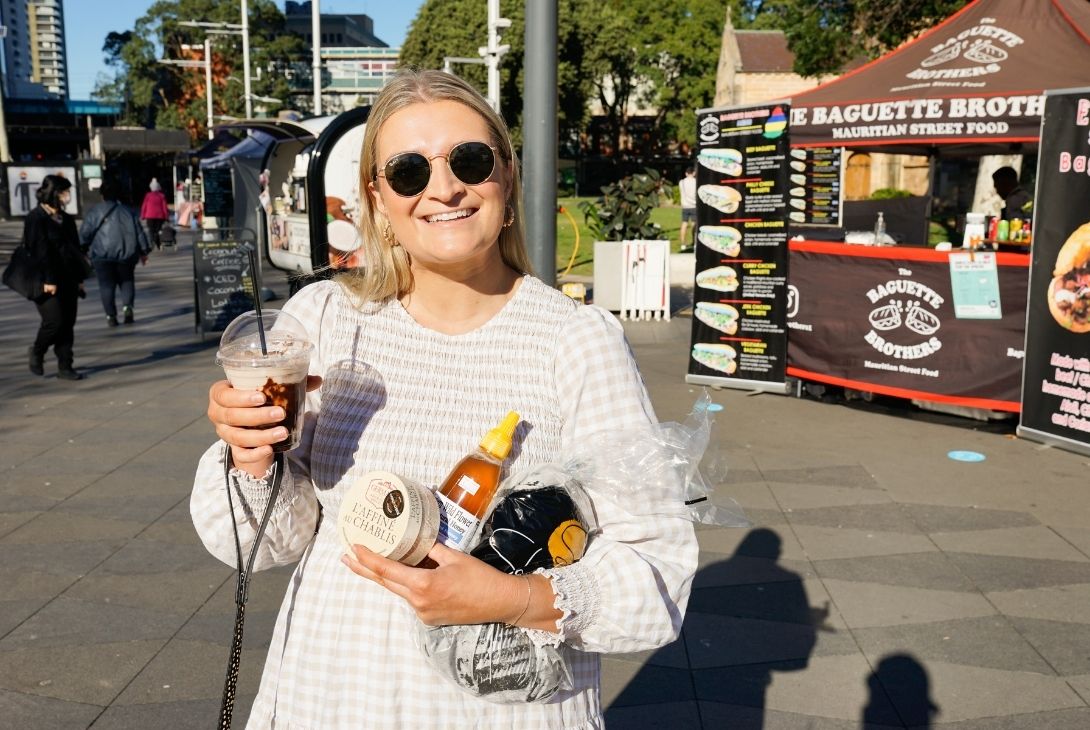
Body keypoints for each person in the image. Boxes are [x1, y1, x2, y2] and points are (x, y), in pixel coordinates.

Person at [191, 69, 698, 729]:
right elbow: (260, 545)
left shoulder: (577, 342)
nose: (444, 187)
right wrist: (252, 453)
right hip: (330, 696)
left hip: (499, 709)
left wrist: (513, 598)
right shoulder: (321, 321)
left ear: (506, 175)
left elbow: (658, 578)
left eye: (470, 160)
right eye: (408, 171)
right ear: (377, 198)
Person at [23, 174, 87, 380]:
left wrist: (79, 278)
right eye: (63, 192)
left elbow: (75, 250)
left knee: (68, 322)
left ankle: (65, 365)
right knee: (54, 321)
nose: (67, 197)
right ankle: (37, 351)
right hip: (45, 280)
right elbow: (39, 252)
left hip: (68, 278)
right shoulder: (36, 218)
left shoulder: (66, 219)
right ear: (53, 194)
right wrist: (48, 281)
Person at [81, 179, 151, 326]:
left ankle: (110, 316)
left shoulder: (95, 211)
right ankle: (128, 308)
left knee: (106, 286)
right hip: (126, 254)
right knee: (127, 282)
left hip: (101, 255)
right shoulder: (128, 211)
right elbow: (139, 232)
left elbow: (85, 234)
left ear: (102, 195)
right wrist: (144, 251)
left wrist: (82, 249)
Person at [140, 178, 170, 249]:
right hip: (159, 216)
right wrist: (166, 217)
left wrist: (142, 216)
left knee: (151, 230)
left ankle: (152, 242)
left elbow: (144, 206)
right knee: (158, 230)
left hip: (149, 216)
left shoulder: (148, 195)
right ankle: (157, 242)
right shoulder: (161, 196)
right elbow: (164, 207)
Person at [678, 165, 697, 251]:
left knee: (684, 224)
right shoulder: (696, 182)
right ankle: (694, 243)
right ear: (694, 173)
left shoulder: (681, 182)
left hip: (685, 206)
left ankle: (683, 244)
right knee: (694, 225)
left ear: (686, 173)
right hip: (694, 206)